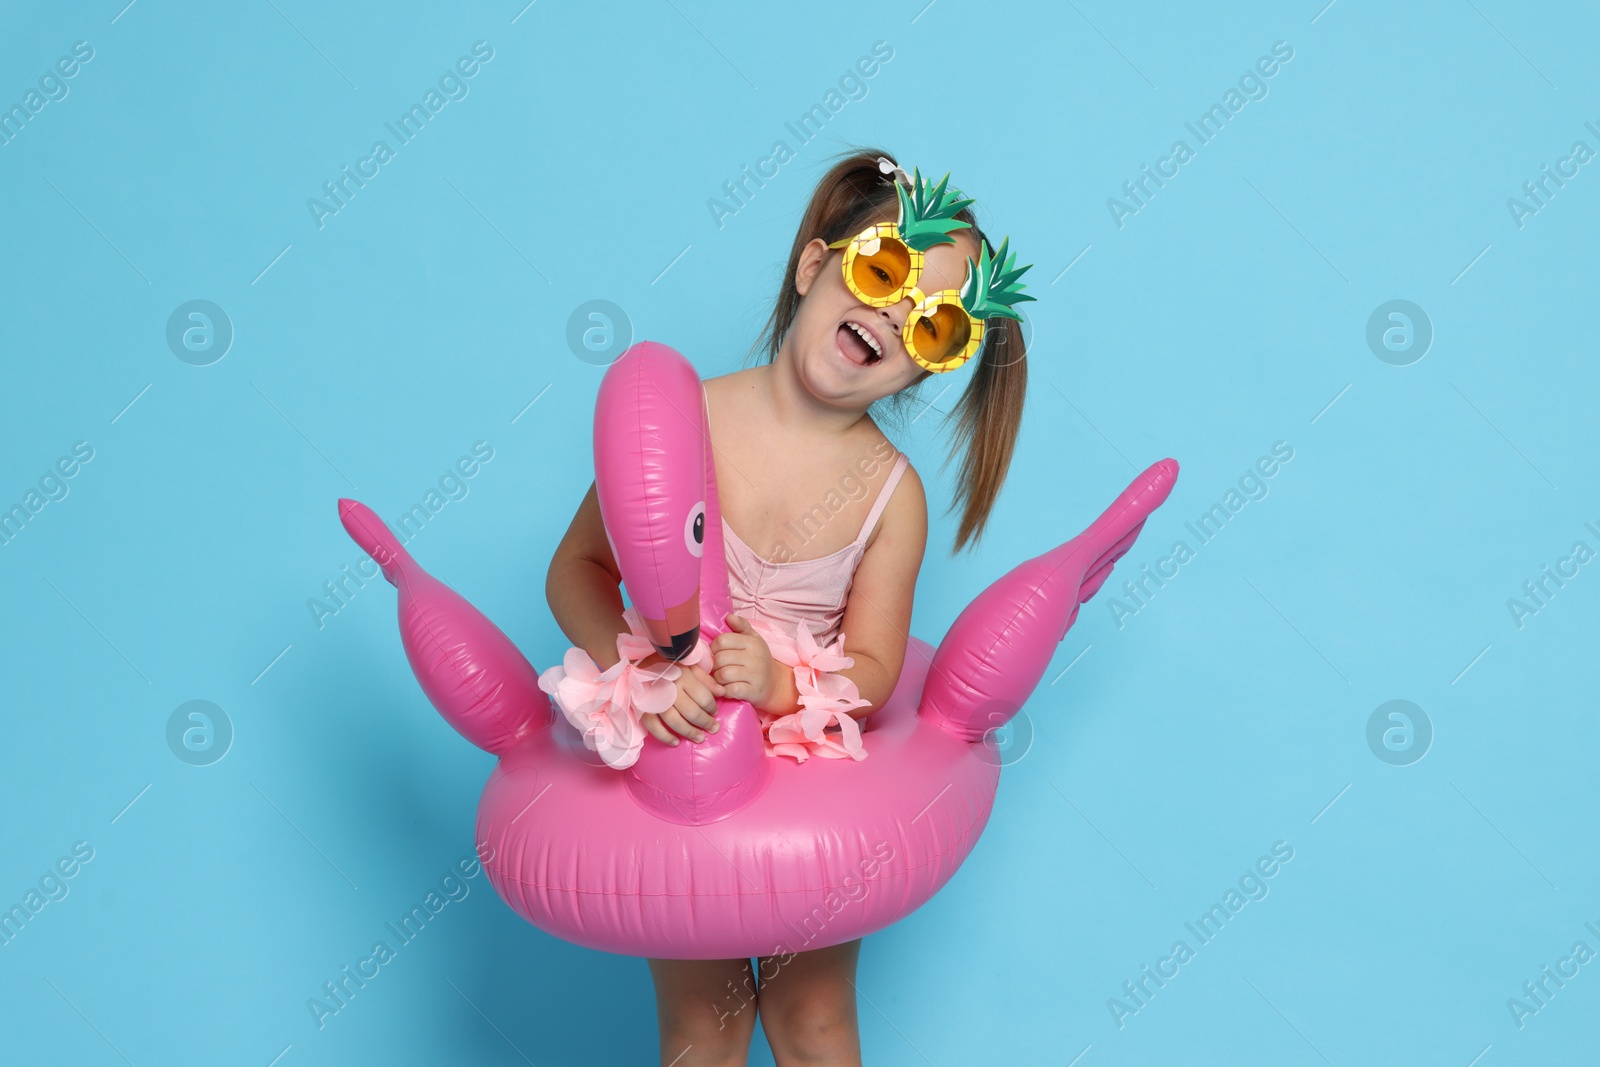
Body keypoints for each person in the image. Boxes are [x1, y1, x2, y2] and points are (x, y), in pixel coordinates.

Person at [545, 147, 1032, 1066]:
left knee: (811, 1016)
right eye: (882, 271)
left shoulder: (893, 496)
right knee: (703, 1023)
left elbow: (880, 670)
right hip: (680, 759)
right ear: (815, 265)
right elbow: (575, 566)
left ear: (927, 369)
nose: (891, 314)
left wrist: (778, 684)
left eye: (930, 325)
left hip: (807, 788)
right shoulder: (679, 418)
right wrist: (642, 667)